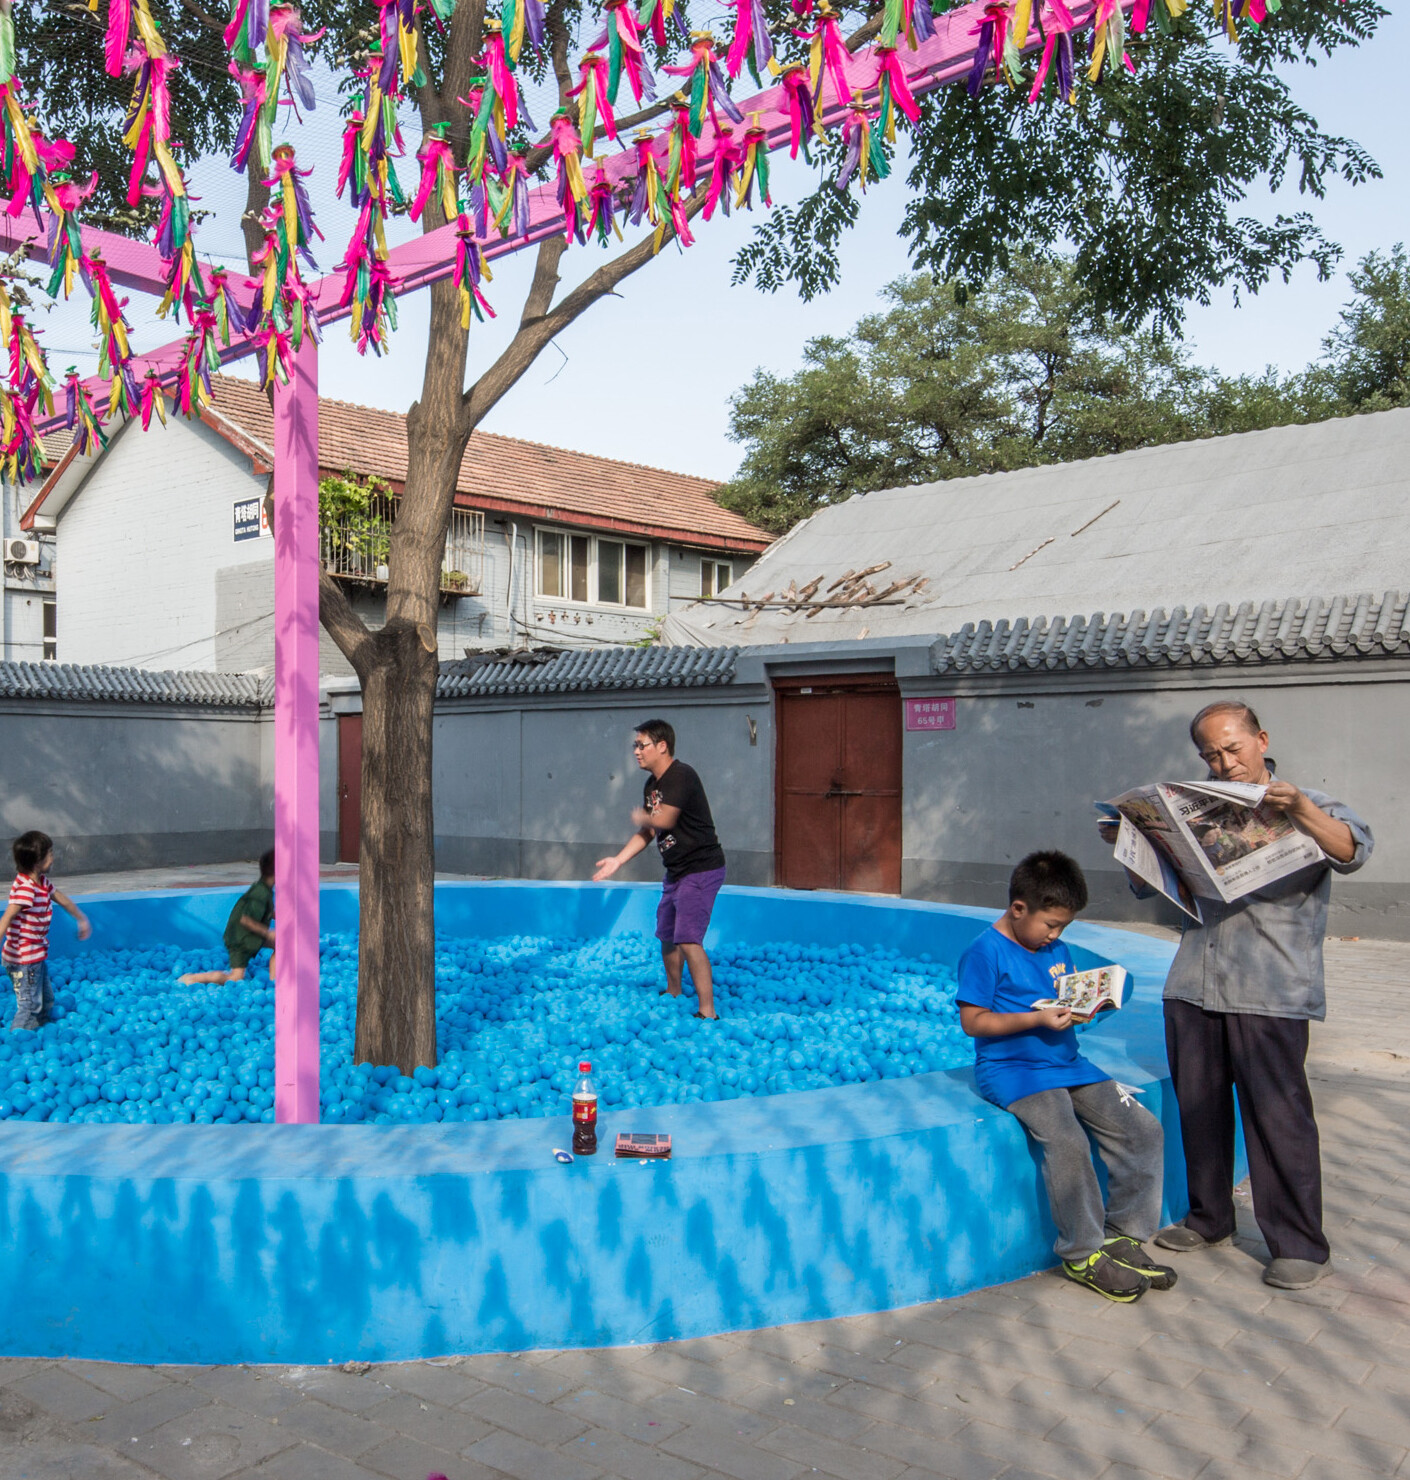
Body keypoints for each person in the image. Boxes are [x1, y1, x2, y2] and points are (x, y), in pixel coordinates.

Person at [1113, 700, 1372, 1291]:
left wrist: (1301, 809)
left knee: (1277, 1116)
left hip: (1271, 986)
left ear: (1261, 739)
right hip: (1194, 981)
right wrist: (1133, 840)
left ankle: (1300, 1243)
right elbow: (1149, 889)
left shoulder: (1313, 807)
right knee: (1199, 1105)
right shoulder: (1192, 806)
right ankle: (1210, 1218)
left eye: (1233, 748)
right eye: (1211, 754)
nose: (1224, 762)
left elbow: (1353, 851)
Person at [957, 850, 1172, 1303]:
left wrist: (1083, 1012)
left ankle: (1122, 1236)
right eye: (1050, 925)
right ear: (1019, 909)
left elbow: (1065, 996)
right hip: (1014, 1072)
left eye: (1063, 927)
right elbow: (974, 1022)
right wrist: (1035, 1021)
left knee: (1143, 1130)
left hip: (1068, 1063)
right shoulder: (984, 951)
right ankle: (1081, 1254)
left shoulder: (1055, 948)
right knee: (1068, 1142)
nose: (1055, 935)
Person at [593, 719, 726, 1020]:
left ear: (662, 746)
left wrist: (643, 816)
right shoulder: (652, 786)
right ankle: (674, 990)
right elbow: (650, 833)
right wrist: (618, 860)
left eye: (642, 745)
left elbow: (663, 820)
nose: (636, 752)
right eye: (635, 746)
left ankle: (708, 1011)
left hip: (701, 868)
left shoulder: (681, 776)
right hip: (676, 871)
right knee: (667, 932)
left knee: (689, 939)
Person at [2, 830, 91, 1032]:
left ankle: (42, 1031)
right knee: (29, 1007)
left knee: (46, 1000)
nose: (53, 857)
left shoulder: (42, 883)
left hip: (35, 956)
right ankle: (17, 1041)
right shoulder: (26, 889)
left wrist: (81, 918)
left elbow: (61, 898)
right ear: (37, 861)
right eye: (50, 853)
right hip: (22, 959)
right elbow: (6, 918)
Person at [179, 850, 276, 986]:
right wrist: (268, 933)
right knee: (236, 977)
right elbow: (246, 920)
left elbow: (265, 911)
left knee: (281, 945)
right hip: (240, 938)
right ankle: (193, 978)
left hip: (250, 936)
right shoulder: (260, 893)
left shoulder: (264, 889)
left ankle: (274, 980)